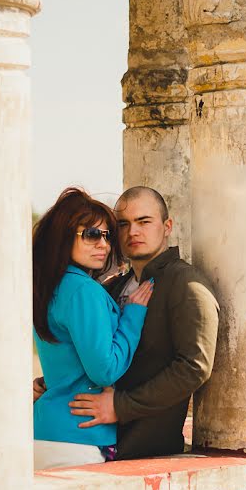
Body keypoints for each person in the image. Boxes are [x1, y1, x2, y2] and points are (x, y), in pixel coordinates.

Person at [34, 186, 220, 460]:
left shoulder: (186, 284)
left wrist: (121, 406)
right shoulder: (107, 287)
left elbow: (194, 367)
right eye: (123, 224)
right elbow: (92, 355)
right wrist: (53, 383)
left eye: (144, 222)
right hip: (89, 440)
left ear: (167, 226)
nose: (133, 232)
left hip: (142, 446)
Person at [32, 187, 153, 469]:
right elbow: (104, 370)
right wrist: (132, 318)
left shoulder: (50, 287)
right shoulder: (83, 291)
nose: (104, 245)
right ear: (63, 237)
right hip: (76, 438)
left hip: (45, 433)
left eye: (107, 236)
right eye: (91, 235)